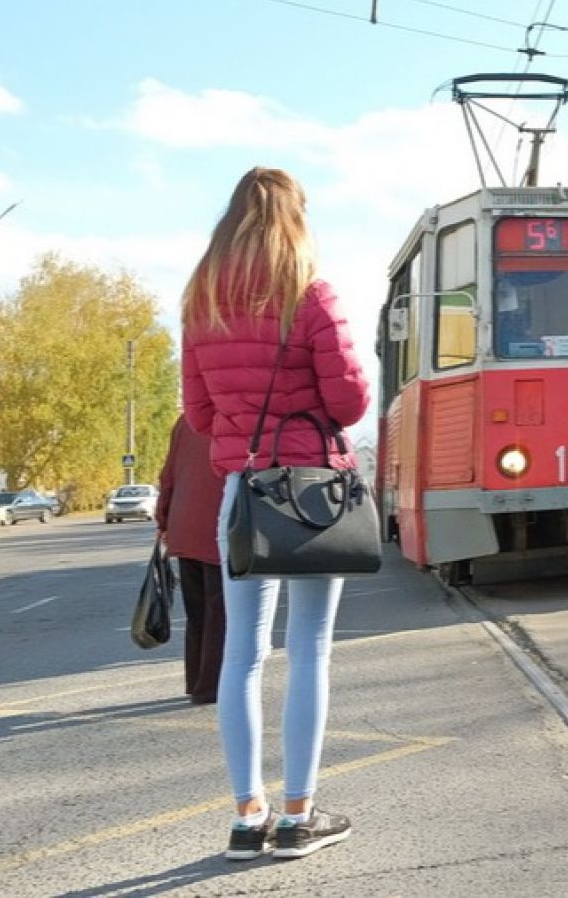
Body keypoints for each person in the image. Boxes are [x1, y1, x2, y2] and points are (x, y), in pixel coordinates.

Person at [181, 167, 371, 861]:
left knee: (242, 655)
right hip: (314, 494)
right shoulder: (311, 292)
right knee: (310, 648)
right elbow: (349, 402)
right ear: (295, 217)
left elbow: (199, 414)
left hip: (246, 493)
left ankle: (245, 814)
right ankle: (298, 814)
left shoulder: (201, 302)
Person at [156, 415, 224, 705]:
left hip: (184, 527)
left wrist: (164, 521)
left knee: (197, 613)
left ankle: (196, 680)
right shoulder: (236, 416)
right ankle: (211, 687)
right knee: (220, 614)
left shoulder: (186, 421)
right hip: (220, 527)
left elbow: (167, 476)